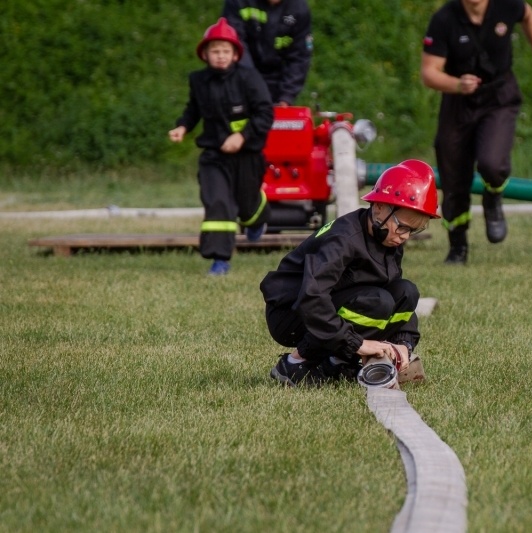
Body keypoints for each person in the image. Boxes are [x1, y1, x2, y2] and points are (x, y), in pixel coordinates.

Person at [260, 160, 440, 387]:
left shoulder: (388, 238)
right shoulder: (344, 239)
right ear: (379, 208)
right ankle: (296, 363)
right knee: (377, 302)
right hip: (292, 313)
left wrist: (403, 343)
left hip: (329, 304)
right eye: (402, 226)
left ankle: (341, 361)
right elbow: (312, 296)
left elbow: (395, 291)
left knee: (406, 291)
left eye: (413, 230)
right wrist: (356, 344)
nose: (405, 236)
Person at [420, 0, 532, 265]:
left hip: (499, 97)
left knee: (492, 164)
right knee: (453, 179)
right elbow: (429, 73)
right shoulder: (444, 19)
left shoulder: (506, 5)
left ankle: (493, 197)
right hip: (458, 101)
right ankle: (458, 245)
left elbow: (528, 16)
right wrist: (456, 84)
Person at [169, 18, 274, 275]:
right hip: (214, 156)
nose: (220, 56)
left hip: (247, 155)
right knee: (217, 201)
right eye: (215, 51)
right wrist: (183, 126)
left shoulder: (249, 78)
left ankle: (257, 215)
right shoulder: (198, 80)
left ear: (235, 54)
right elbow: (193, 109)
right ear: (205, 54)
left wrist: (242, 137)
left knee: (246, 206)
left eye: (226, 51)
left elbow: (265, 113)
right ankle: (220, 259)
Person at [222, 0, 313, 106]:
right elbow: (234, 44)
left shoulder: (299, 8)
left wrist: (286, 97)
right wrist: (252, 83)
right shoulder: (238, 2)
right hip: (240, 75)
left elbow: (300, 56)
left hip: (278, 79)